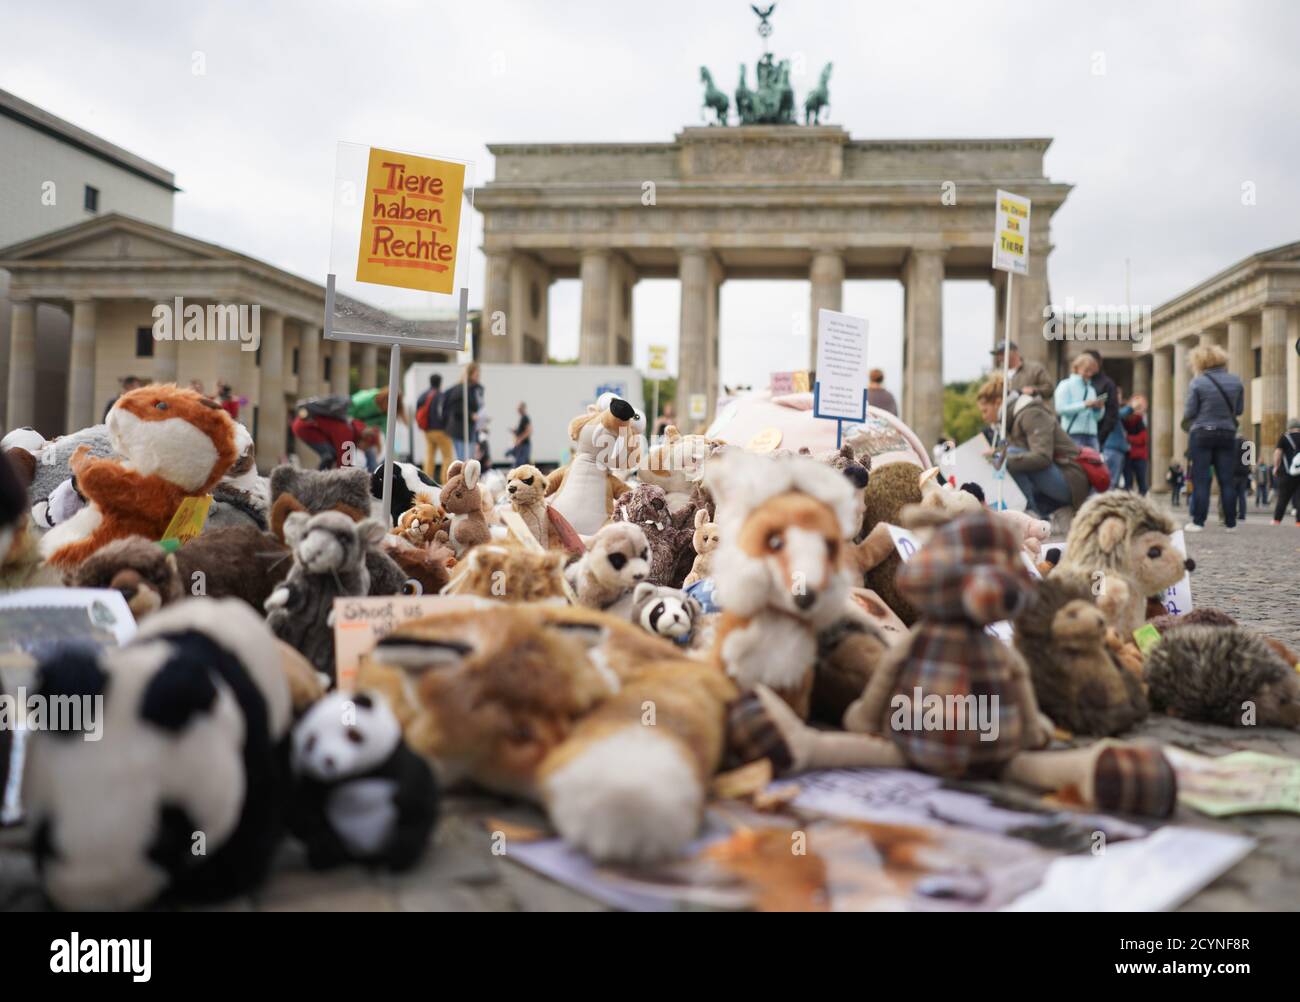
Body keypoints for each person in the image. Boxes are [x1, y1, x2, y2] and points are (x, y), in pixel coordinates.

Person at [976, 375, 1089, 529]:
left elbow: (1043, 457)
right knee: (1003, 456)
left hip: (1070, 480)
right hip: (1054, 478)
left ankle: (1031, 513)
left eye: (985, 410)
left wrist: (1001, 458)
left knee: (1009, 454)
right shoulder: (1006, 422)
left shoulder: (1031, 413)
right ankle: (1033, 511)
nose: (984, 417)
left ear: (997, 403)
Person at [1182, 343, 1244, 533]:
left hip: (1202, 432)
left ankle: (1198, 521)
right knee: (1226, 479)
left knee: (1201, 479)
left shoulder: (1198, 382)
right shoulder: (1236, 381)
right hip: (1226, 433)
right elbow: (1239, 410)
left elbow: (1190, 411)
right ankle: (1231, 523)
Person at [1084, 350, 1124, 487]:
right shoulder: (1076, 384)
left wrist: (1100, 438)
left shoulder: (1106, 384)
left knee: (1106, 483)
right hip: (1082, 440)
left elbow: (1112, 413)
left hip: (1102, 441)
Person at [1053, 353, 1104, 450]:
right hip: (1073, 434)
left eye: (1092, 371)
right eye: (1086, 370)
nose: (1089, 374)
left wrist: (1098, 409)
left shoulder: (1091, 389)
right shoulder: (1065, 385)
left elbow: (1097, 418)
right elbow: (1060, 409)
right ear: (1076, 368)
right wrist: (1084, 405)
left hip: (1092, 435)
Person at [440, 362, 483, 461]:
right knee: (464, 460)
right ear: (470, 374)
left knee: (470, 459)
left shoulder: (474, 389)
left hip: (469, 429)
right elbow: (455, 408)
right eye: (476, 374)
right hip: (460, 430)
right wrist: (471, 415)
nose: (478, 376)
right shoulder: (461, 388)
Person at [990, 340, 1054, 406]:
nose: (999, 357)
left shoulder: (1035, 369)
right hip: (1006, 414)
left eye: (1002, 353)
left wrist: (1033, 390)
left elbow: (1049, 389)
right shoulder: (998, 375)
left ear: (1014, 351)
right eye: (998, 354)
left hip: (1031, 412)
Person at [416, 374, 454, 482]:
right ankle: (445, 482)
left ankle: (426, 480)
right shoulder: (441, 395)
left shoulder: (423, 395)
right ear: (440, 382)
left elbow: (417, 412)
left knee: (429, 456)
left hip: (428, 431)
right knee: (447, 457)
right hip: (441, 430)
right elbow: (444, 413)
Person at [1271, 418, 1300, 526]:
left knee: (1283, 497)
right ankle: (1299, 522)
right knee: (1299, 497)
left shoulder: (1285, 437)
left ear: (1289, 426)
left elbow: (1278, 453)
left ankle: (1277, 520)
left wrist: (1275, 467)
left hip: (1287, 472)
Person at [1121, 395, 1149, 494]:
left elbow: (1143, 439)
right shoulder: (1123, 421)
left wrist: (1128, 438)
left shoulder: (1140, 420)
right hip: (1128, 455)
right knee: (1127, 484)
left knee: (1142, 484)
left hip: (1139, 456)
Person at [507, 401, 532, 467]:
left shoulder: (525, 418)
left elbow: (529, 431)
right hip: (520, 445)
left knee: (520, 464)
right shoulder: (522, 418)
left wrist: (520, 439)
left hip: (524, 445)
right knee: (520, 463)